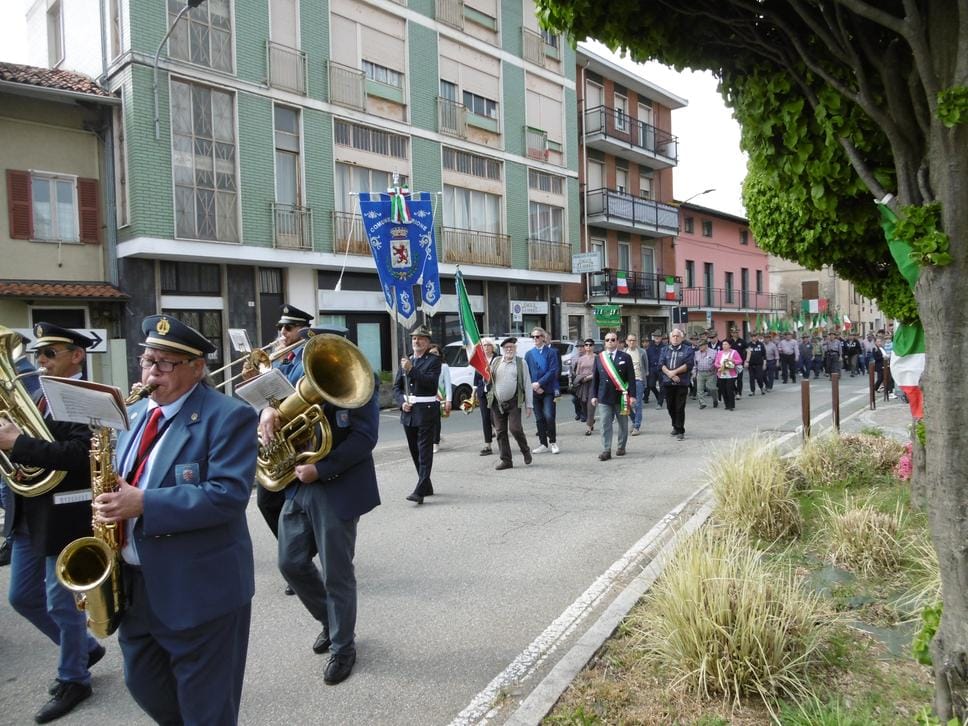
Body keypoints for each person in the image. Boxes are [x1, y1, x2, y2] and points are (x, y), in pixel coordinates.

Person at [91, 315, 257, 725]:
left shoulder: (228, 415)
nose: (150, 372)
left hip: (200, 591)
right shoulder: (131, 413)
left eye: (164, 364)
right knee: (145, 686)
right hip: (136, 588)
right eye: (147, 360)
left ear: (196, 367)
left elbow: (228, 496)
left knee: (207, 710)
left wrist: (144, 503)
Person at [259, 336, 381, 687]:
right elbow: (272, 402)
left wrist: (323, 469)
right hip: (298, 484)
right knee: (290, 563)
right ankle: (331, 621)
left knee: (337, 573)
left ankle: (343, 647)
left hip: (335, 485)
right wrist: (268, 411)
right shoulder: (296, 368)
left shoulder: (362, 382)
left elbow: (365, 438)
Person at [0, 324, 104, 723]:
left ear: (77, 356)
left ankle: (74, 677)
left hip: (66, 512)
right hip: (28, 512)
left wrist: (18, 445)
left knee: (61, 604)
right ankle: (85, 650)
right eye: (38, 354)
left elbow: (83, 456)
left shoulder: (88, 397)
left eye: (50, 354)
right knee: (21, 598)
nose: (40, 362)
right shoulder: (32, 394)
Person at [256, 303, 312, 596]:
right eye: (280, 328)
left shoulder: (308, 357)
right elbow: (267, 396)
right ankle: (295, 558)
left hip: (299, 440)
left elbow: (298, 393)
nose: (281, 333)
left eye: (287, 328)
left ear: (302, 329)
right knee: (266, 502)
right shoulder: (277, 360)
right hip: (277, 441)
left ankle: (297, 562)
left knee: (302, 506)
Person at [393, 325, 441, 505]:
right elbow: (396, 387)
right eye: (414, 338)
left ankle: (419, 490)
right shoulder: (407, 360)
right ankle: (426, 485)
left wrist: (411, 369)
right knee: (414, 451)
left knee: (424, 452)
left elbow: (430, 383)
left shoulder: (433, 360)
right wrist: (401, 402)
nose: (416, 341)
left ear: (427, 342)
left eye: (420, 338)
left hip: (426, 411)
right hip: (409, 412)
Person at [486, 338, 534, 470]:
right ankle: (506, 460)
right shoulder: (495, 361)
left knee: (515, 429)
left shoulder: (521, 363)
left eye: (511, 347)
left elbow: (527, 384)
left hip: (513, 402)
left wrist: (529, 405)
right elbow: (488, 381)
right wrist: (486, 378)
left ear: (515, 348)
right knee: (500, 432)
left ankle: (525, 450)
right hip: (497, 403)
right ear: (502, 349)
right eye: (506, 347)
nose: (509, 349)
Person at [590, 333, 636, 461]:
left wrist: (632, 396)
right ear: (604, 342)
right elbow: (596, 378)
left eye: (613, 340)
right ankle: (606, 449)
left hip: (621, 396)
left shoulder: (625, 357)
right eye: (607, 340)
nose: (610, 342)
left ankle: (621, 446)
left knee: (622, 424)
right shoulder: (600, 357)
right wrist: (594, 395)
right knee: (605, 424)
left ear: (617, 342)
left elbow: (631, 378)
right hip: (604, 396)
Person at [525, 327, 560, 455]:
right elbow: (526, 373)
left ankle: (553, 442)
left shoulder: (551, 353)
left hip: (548, 390)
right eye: (533, 337)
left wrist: (539, 383)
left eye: (538, 336)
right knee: (539, 418)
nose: (535, 339)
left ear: (543, 338)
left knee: (549, 416)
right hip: (534, 391)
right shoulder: (529, 354)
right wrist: (532, 386)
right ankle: (543, 443)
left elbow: (553, 371)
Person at [659, 329, 695, 441]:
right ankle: (675, 425)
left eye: (677, 336)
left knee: (679, 407)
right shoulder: (664, 349)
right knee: (670, 407)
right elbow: (661, 364)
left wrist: (674, 372)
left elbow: (688, 364)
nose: (675, 338)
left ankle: (680, 430)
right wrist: (669, 374)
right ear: (670, 338)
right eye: (673, 336)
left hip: (681, 382)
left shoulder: (688, 350)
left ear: (682, 338)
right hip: (668, 382)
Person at [428, 344, 452, 453]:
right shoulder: (425, 365)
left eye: (435, 353)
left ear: (439, 354)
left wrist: (448, 400)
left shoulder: (444, 367)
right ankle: (433, 437)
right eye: (431, 353)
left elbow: (447, 384)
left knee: (436, 421)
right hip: (426, 398)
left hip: (438, 398)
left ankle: (435, 442)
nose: (433, 355)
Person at [475, 338, 498, 455]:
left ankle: (501, 439)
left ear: (492, 347)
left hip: (494, 392)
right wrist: (474, 390)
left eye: (488, 345)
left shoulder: (498, 359)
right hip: (482, 392)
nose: (486, 347)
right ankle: (487, 444)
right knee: (485, 418)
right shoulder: (481, 359)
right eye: (484, 345)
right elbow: (477, 376)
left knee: (494, 417)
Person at [572, 339, 598, 435]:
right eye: (586, 345)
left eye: (590, 345)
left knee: (591, 405)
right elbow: (577, 372)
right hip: (582, 384)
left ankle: (588, 428)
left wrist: (589, 377)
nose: (588, 346)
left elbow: (598, 372)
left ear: (593, 346)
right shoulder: (581, 359)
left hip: (593, 383)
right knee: (583, 405)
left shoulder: (597, 358)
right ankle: (591, 420)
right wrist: (580, 378)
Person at [624, 333, 647, 435]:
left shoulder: (642, 352)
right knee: (626, 404)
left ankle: (637, 426)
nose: (632, 342)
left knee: (637, 405)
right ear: (626, 342)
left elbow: (646, 367)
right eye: (630, 340)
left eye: (634, 340)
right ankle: (634, 420)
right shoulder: (624, 352)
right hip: (626, 382)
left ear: (636, 341)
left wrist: (644, 378)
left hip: (638, 380)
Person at [714, 338, 743, 411]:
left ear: (730, 345)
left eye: (726, 344)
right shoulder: (719, 353)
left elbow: (740, 361)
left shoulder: (734, 352)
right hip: (721, 374)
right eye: (723, 344)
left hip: (731, 374)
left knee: (729, 389)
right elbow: (716, 363)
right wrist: (720, 366)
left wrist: (733, 360)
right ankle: (726, 405)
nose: (724, 346)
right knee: (723, 390)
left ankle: (731, 405)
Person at [693, 339, 719, 409]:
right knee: (699, 389)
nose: (699, 347)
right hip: (700, 373)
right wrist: (694, 373)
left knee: (711, 388)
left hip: (711, 373)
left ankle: (715, 399)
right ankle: (702, 403)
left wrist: (716, 370)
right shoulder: (696, 353)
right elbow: (695, 365)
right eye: (699, 346)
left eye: (701, 346)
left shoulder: (714, 352)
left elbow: (717, 363)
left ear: (706, 345)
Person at [644, 331, 665, 409]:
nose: (657, 337)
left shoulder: (665, 347)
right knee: (651, 385)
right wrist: (647, 370)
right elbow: (647, 359)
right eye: (655, 336)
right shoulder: (650, 347)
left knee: (662, 386)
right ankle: (658, 396)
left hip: (662, 369)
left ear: (661, 337)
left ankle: (660, 403)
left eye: (659, 336)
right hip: (652, 369)